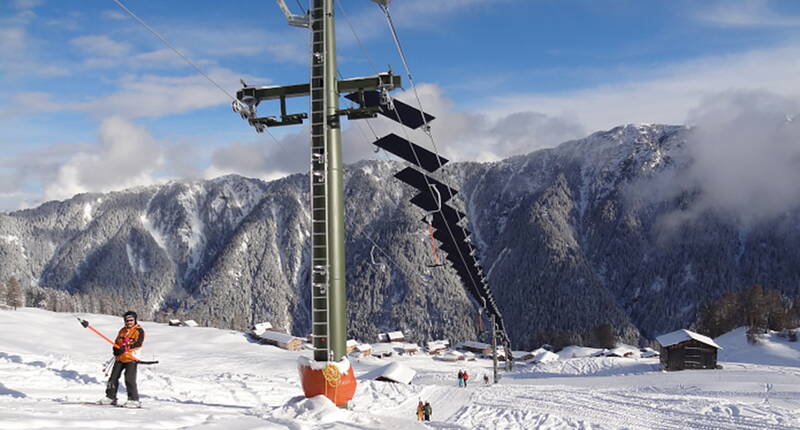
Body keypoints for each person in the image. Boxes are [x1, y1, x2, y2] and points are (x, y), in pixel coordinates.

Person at [98, 311, 145, 408]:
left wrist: (127, 348)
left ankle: (133, 399)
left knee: (129, 379)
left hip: (131, 358)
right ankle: (110, 397)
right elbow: (116, 342)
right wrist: (116, 350)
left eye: (131, 320)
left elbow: (138, 343)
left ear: (135, 320)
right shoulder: (122, 331)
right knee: (113, 378)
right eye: (127, 320)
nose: (129, 322)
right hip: (120, 358)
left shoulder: (139, 331)